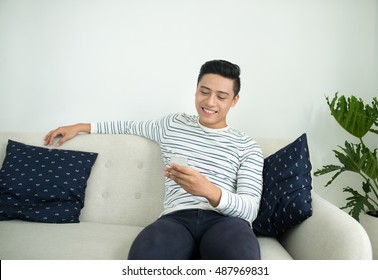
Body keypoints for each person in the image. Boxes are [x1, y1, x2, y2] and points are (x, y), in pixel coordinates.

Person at [44, 60, 264, 260]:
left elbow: (249, 209)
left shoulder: (247, 146)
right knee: (142, 261)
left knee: (241, 262)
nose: (209, 102)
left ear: (234, 100)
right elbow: (128, 127)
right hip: (177, 219)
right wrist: (82, 127)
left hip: (226, 222)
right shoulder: (173, 125)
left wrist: (208, 190)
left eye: (221, 96)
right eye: (203, 92)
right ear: (196, 90)